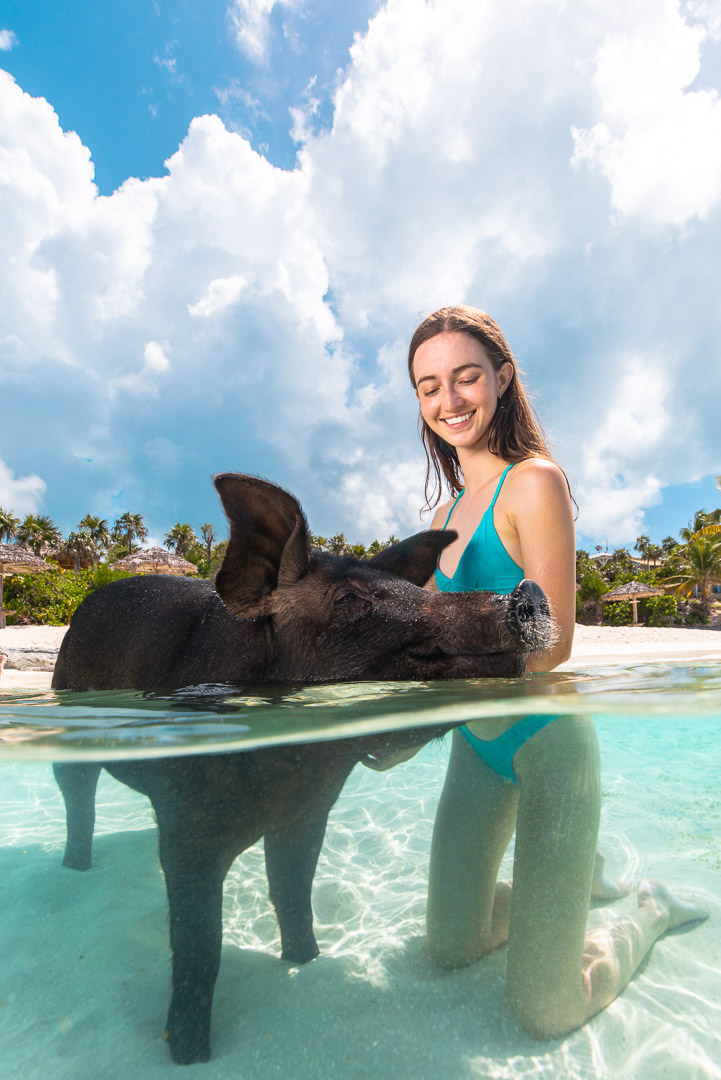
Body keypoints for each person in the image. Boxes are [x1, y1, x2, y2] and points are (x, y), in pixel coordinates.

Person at [407, 305, 706, 1039]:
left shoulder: (532, 482)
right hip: (474, 750)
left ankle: (649, 908)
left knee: (545, 1010)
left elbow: (553, 640)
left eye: (465, 377)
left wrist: (443, 669)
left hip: (547, 749)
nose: (448, 401)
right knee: (450, 947)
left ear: (502, 379)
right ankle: (568, 888)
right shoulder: (443, 510)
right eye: (427, 386)